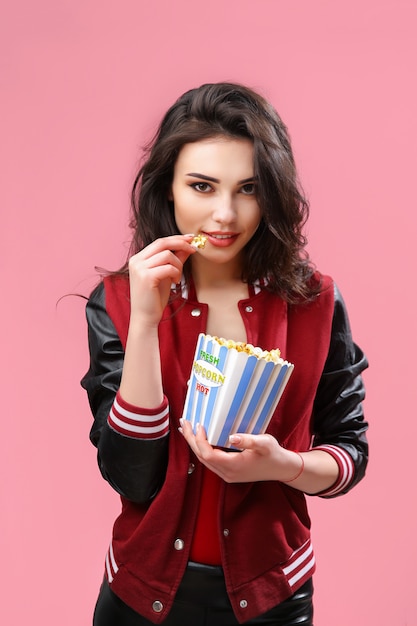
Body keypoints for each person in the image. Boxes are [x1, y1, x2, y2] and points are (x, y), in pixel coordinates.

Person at [81, 82, 368, 626]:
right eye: (202, 186)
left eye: (249, 188)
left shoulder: (315, 303)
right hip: (142, 597)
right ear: (167, 188)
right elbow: (132, 478)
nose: (225, 214)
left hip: (272, 598)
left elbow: (350, 452)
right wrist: (144, 323)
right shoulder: (118, 301)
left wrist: (283, 466)